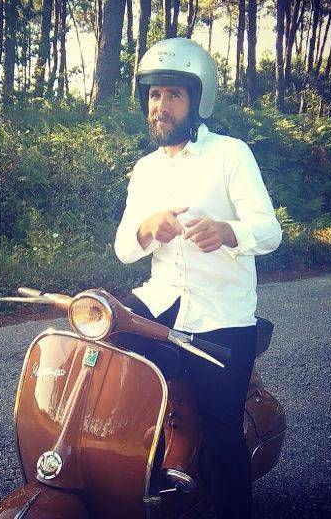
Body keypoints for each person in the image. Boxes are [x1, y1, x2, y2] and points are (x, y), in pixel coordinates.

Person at [114, 38, 282, 519]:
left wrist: (229, 231)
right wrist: (148, 228)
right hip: (161, 302)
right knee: (111, 375)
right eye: (154, 95)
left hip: (221, 313)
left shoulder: (230, 154)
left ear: (197, 99)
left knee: (221, 425)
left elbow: (270, 231)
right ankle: (135, 483)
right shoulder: (145, 170)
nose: (161, 105)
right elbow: (124, 248)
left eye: (174, 94)